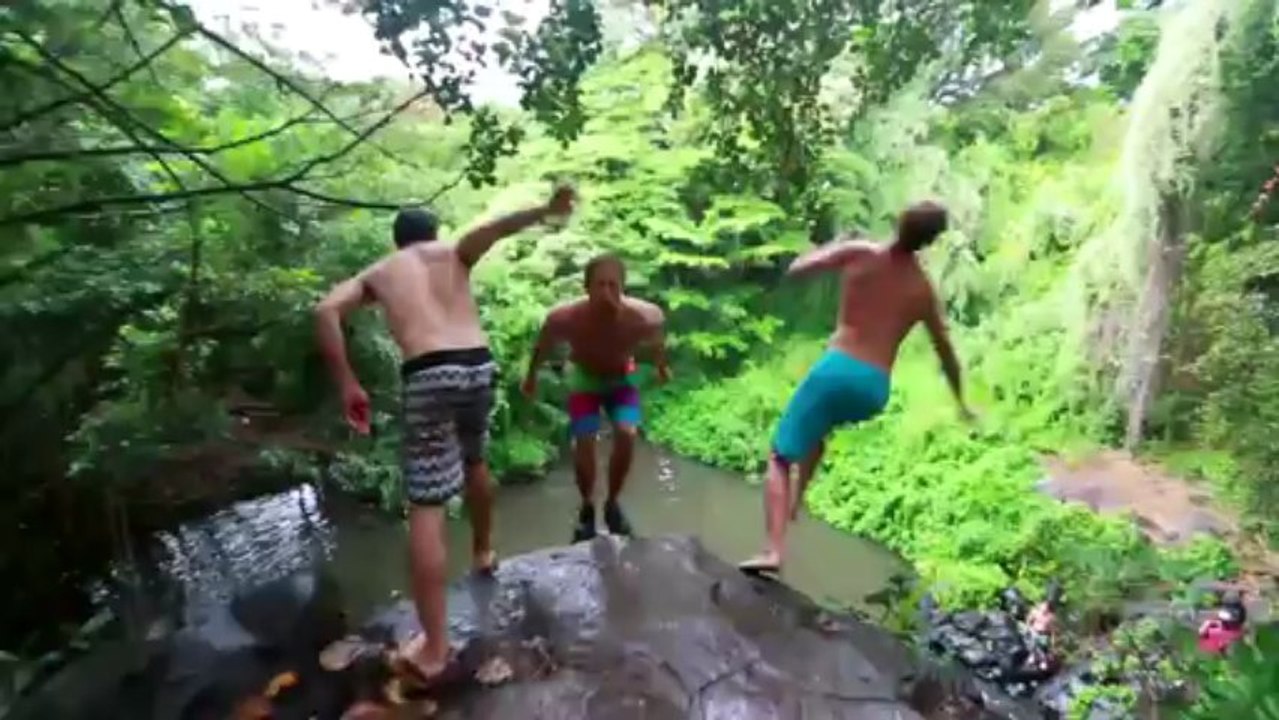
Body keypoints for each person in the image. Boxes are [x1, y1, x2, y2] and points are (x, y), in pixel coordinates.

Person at [312, 184, 576, 685]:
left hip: (429, 373)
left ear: (397, 243)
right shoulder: (453, 251)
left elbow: (324, 311)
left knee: (426, 504)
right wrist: (547, 210)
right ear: (432, 235)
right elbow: (495, 227)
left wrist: (348, 383)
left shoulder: (380, 272)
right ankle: (483, 551)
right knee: (475, 460)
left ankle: (434, 648)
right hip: (478, 365)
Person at [739, 200, 973, 575]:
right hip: (874, 388)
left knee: (779, 459)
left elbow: (798, 269)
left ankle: (773, 551)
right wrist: (962, 401)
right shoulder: (922, 289)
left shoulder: (860, 253)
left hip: (838, 367)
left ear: (898, 221)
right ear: (930, 242)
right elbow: (945, 351)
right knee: (818, 428)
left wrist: (833, 244)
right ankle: (796, 501)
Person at [522, 253, 669, 542]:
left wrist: (662, 368)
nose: (606, 292)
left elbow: (656, 344)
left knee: (627, 433)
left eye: (613, 285)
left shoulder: (642, 317)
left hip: (621, 377)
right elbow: (542, 347)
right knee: (585, 439)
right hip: (585, 377)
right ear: (586, 288)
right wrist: (530, 377)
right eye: (600, 285)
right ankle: (587, 508)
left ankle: (613, 503)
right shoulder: (564, 317)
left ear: (623, 288)